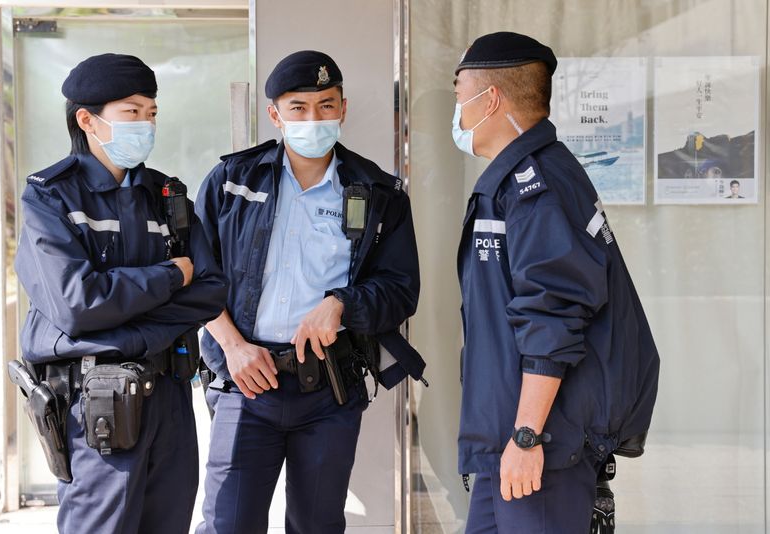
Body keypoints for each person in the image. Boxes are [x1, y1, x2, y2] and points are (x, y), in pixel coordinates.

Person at [194, 50, 425, 534]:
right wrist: (233, 348)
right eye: (298, 108)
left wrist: (342, 303)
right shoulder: (232, 182)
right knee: (228, 524)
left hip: (328, 389)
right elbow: (198, 275)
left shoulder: (377, 192)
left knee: (318, 524)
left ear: (344, 108)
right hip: (245, 382)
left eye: (325, 104)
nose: (313, 118)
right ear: (275, 114)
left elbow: (400, 290)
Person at [451, 32, 660, 532]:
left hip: (544, 443)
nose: (457, 114)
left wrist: (526, 438)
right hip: (507, 441)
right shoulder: (521, 177)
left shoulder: (537, 185)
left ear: (491, 98)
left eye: (459, 97)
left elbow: (554, 315)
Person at [14, 53, 228, 533]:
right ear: (87, 120)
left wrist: (126, 318)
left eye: (151, 113)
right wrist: (171, 277)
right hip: (99, 400)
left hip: (171, 396)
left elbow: (211, 291)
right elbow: (78, 304)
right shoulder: (51, 198)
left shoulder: (168, 197)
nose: (146, 124)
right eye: (131, 112)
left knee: (168, 522)